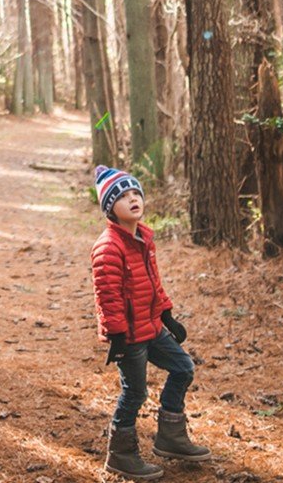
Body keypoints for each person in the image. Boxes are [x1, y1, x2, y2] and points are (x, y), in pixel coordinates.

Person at [90, 165, 210, 478]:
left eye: (136, 193)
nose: (133, 199)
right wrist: (116, 335)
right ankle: (121, 454)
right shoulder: (108, 247)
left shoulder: (144, 238)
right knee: (135, 392)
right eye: (123, 196)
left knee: (183, 368)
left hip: (152, 327)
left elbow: (154, 284)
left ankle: (171, 436)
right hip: (129, 336)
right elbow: (108, 297)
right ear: (109, 208)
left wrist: (167, 314)